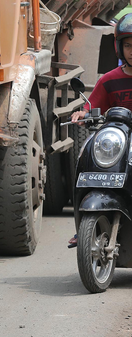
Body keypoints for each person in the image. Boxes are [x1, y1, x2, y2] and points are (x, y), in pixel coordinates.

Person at [68, 13, 132, 248]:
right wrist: (83, 114)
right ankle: (82, 228)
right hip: (117, 141)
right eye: (128, 45)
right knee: (85, 159)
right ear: (119, 47)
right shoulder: (108, 80)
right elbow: (91, 106)